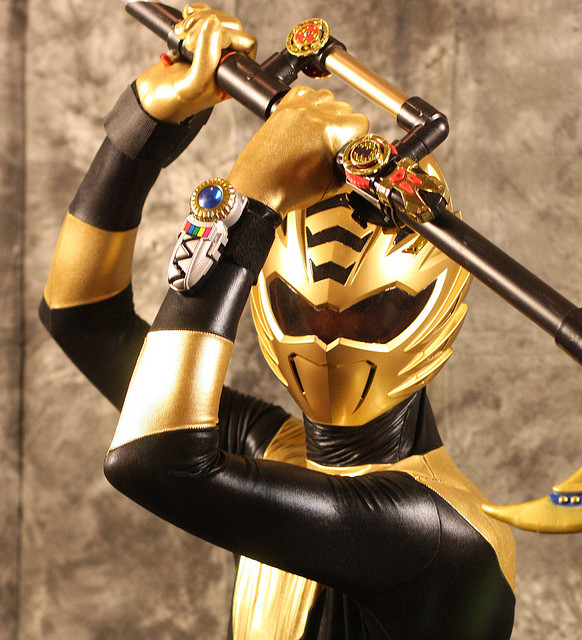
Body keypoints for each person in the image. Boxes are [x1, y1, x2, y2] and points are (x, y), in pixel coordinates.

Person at [41, 5, 516, 639]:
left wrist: (247, 198)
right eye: (298, 307)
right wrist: (145, 124)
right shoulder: (282, 453)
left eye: (371, 313)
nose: (325, 339)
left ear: (438, 308)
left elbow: (151, 462)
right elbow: (81, 318)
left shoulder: (434, 535)